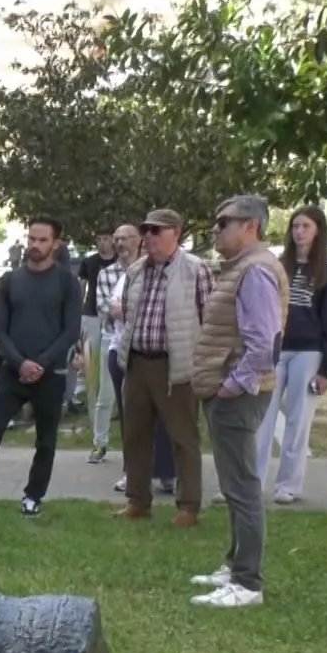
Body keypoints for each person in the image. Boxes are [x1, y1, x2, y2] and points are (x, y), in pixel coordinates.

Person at [187, 195, 287, 610]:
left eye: (223, 222)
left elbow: (264, 342)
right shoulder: (243, 269)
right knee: (233, 486)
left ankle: (248, 582)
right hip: (228, 390)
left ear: (251, 226)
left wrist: (235, 383)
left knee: (243, 488)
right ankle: (235, 564)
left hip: (238, 395)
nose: (215, 229)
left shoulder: (256, 272)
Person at [0, 216, 80, 518]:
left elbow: (71, 331)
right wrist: (20, 362)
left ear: (55, 244)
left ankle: (33, 496)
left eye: (42, 240)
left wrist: (42, 363)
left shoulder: (67, 282)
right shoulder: (11, 280)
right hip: (12, 372)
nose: (35, 245)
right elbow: (0, 330)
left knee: (46, 441)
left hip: (50, 374)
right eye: (31, 239)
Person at [112, 208, 211, 525]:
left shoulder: (195, 269)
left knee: (183, 438)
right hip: (138, 363)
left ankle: (189, 506)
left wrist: (204, 364)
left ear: (176, 234)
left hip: (176, 365)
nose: (150, 237)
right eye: (147, 230)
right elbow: (127, 315)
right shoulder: (137, 271)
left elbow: (208, 320)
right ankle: (138, 500)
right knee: (135, 435)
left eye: (157, 230)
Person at [255, 205, 327, 505]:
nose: (299, 231)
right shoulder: (279, 266)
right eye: (295, 226)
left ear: (318, 230)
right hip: (276, 349)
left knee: (298, 419)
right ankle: (252, 480)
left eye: (305, 226)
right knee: (262, 416)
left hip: (309, 352)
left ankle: (288, 485)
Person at [85, 224, 140, 463]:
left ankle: (138, 452)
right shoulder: (106, 274)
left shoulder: (149, 270)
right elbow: (106, 309)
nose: (119, 244)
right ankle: (100, 443)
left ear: (138, 240)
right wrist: (132, 310)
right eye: (116, 239)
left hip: (142, 341)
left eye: (124, 239)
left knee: (138, 399)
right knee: (105, 395)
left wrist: (126, 309)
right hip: (112, 339)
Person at [73, 231, 117, 414]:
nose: (101, 243)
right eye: (98, 240)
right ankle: (92, 402)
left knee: (111, 358)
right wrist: (77, 311)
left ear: (112, 240)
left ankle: (113, 403)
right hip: (90, 314)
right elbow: (82, 287)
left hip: (113, 315)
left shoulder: (118, 263)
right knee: (90, 359)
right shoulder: (89, 262)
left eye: (105, 239)